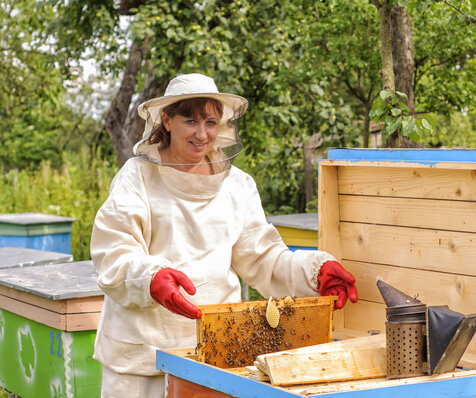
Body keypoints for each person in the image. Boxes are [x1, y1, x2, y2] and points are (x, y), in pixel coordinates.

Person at [90, 73, 358, 398]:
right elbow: (113, 254)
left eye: (211, 122)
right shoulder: (136, 177)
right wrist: (150, 278)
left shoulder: (237, 185)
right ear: (167, 120)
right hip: (142, 358)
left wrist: (315, 272)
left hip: (218, 351)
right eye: (190, 120)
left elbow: (264, 259)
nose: (202, 134)